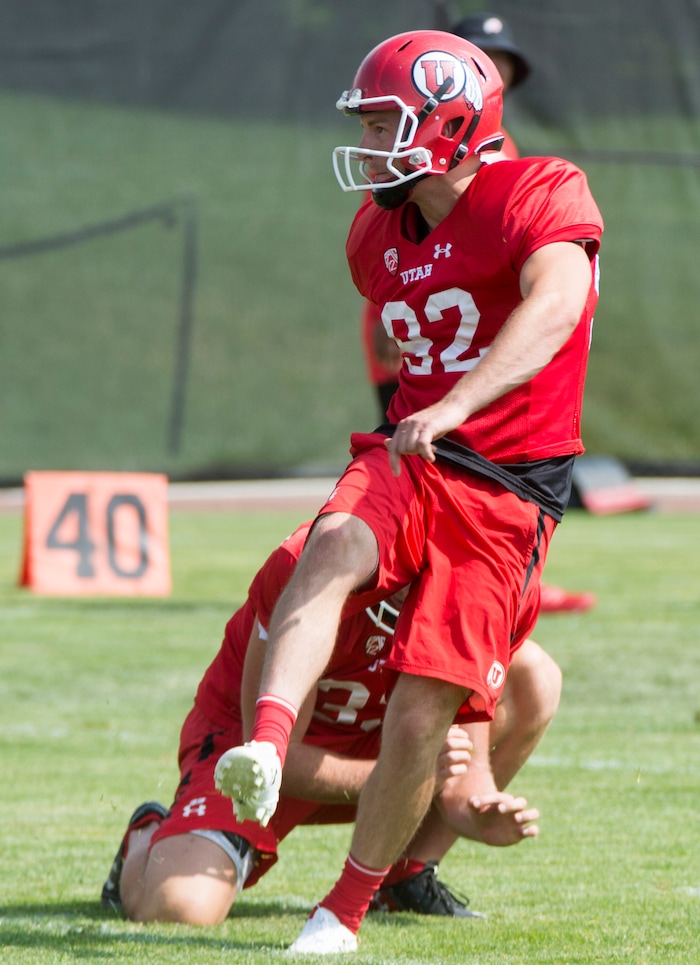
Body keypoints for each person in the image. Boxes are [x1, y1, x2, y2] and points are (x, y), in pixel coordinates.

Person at [216, 28, 603, 953]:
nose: (375, 137)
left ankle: (344, 908)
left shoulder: (540, 190)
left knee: (424, 703)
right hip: (416, 452)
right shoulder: (377, 233)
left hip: (508, 486)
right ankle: (266, 746)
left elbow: (558, 304)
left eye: (391, 118)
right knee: (334, 544)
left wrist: (461, 401)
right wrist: (431, 412)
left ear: (454, 118)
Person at [102, 521, 560, 924]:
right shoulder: (319, 558)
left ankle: (408, 872)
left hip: (380, 742)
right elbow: (274, 757)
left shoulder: (487, 580)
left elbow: (467, 769)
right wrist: (401, 776)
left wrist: (477, 811)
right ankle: (145, 835)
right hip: (254, 753)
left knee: (534, 678)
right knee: (179, 907)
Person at [361, 11, 596, 614]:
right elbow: (408, 258)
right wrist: (389, 325)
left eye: (505, 60)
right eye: (490, 56)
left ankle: (502, 596)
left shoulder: (511, 167)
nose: (504, 69)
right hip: (433, 344)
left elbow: (544, 288)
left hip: (497, 379)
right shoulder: (399, 175)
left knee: (484, 519)